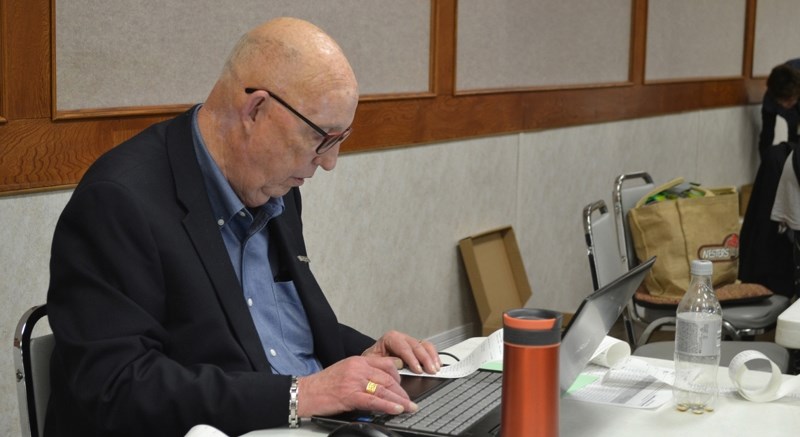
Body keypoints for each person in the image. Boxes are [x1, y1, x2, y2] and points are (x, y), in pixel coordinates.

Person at [44, 17, 441, 436]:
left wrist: (365, 354)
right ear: (256, 109)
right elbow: (116, 387)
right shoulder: (119, 202)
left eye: (341, 140)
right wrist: (298, 395)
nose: (329, 162)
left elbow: (281, 331)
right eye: (321, 139)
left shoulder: (275, 188)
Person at [758, 59, 800, 160]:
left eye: (790, 101)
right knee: (794, 147)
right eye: (782, 102)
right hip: (793, 118)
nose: (786, 105)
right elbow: (766, 137)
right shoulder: (770, 99)